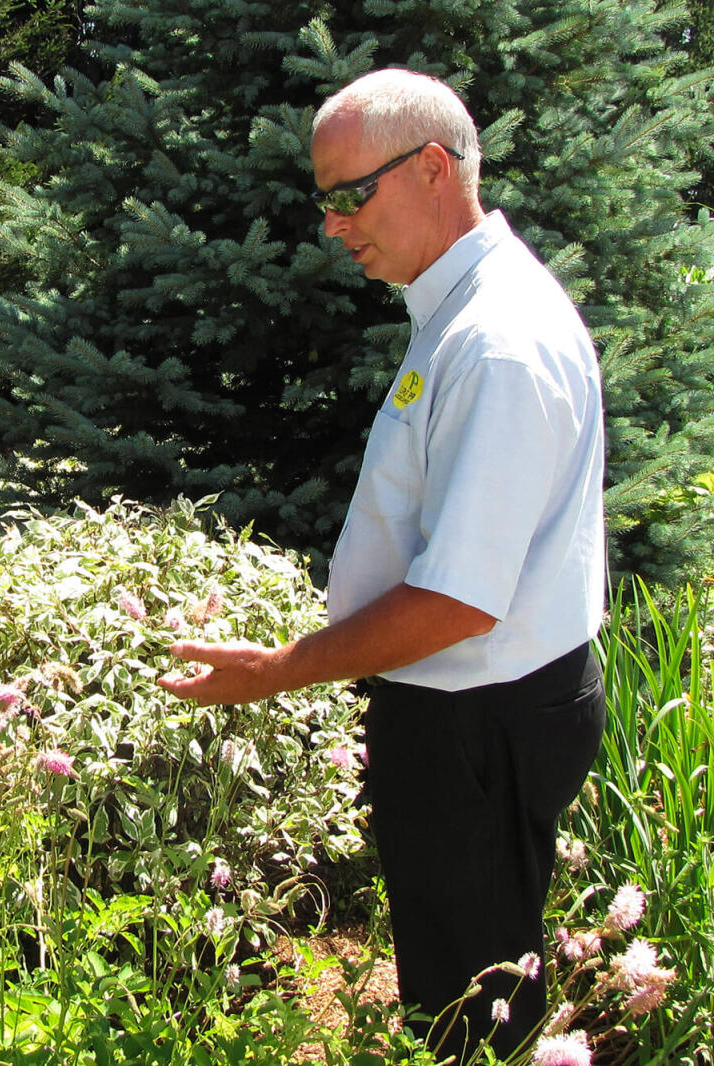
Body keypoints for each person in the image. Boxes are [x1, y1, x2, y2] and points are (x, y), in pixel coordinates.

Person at [159, 69, 607, 1058]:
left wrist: (279, 669)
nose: (332, 224)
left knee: (469, 1015)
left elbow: (456, 600)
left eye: (348, 193)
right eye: (323, 198)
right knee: (470, 988)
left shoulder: (494, 342)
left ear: (434, 169)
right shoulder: (458, 309)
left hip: (475, 719)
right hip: (472, 710)